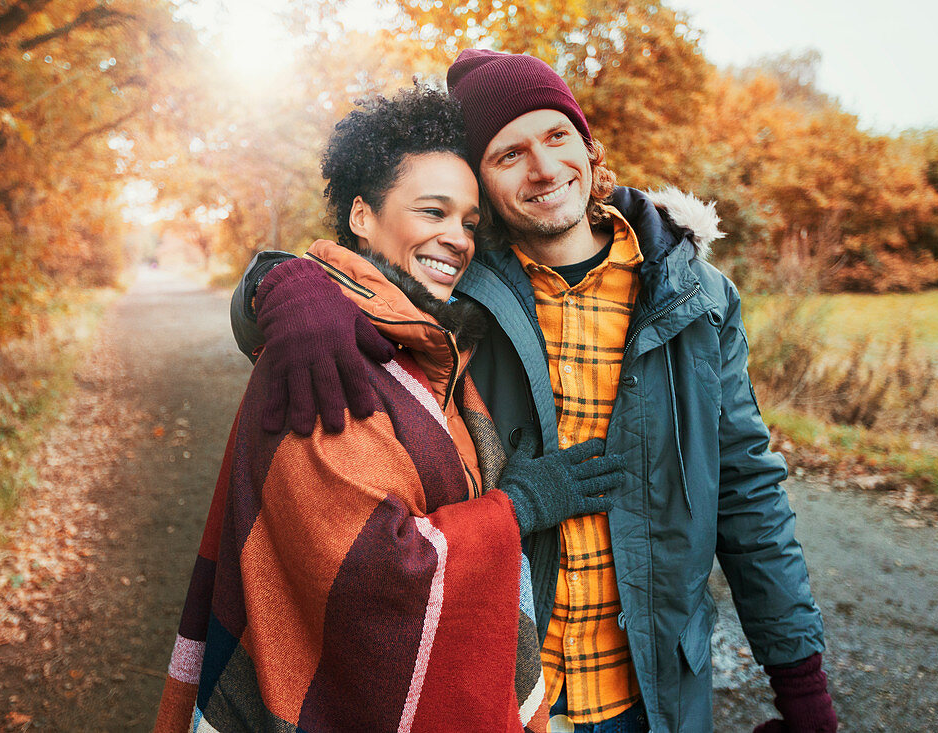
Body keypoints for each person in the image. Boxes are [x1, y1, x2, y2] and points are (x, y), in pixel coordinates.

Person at [230, 51, 838, 733]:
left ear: (587, 145)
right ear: (482, 184)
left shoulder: (695, 297)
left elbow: (748, 492)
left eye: (556, 137)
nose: (544, 168)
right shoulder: (454, 289)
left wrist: (802, 687)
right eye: (508, 152)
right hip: (503, 695)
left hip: (651, 697)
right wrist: (285, 287)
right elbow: (356, 264)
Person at [154, 86, 629, 733]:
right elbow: (370, 577)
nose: (456, 238)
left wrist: (276, 273)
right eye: (433, 210)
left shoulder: (429, 343)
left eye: (467, 221)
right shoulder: (322, 353)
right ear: (361, 215)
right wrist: (518, 507)